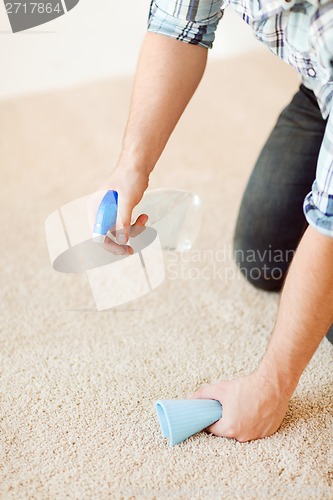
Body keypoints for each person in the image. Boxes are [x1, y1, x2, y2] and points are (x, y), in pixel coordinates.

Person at [98, 0, 333, 442]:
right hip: (321, 79)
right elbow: (177, 28)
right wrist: (133, 165)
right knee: (264, 258)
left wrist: (271, 389)